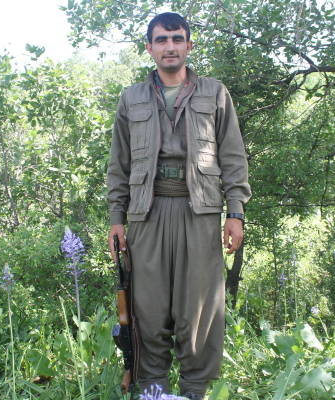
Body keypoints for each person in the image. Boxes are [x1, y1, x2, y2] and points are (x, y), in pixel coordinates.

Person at [107, 12, 251, 399]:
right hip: (147, 213)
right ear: (149, 48)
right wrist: (116, 219)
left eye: (176, 39)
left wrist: (235, 212)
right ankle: (155, 390)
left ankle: (193, 392)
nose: (169, 47)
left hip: (199, 212)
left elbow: (233, 156)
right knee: (148, 311)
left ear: (189, 44)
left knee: (198, 311)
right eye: (161, 40)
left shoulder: (214, 93)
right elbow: (119, 164)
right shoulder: (131, 98)